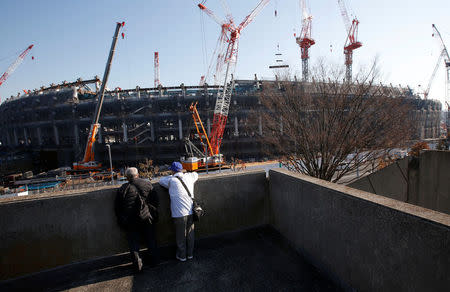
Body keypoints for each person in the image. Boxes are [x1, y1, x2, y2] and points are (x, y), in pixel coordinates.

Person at [115, 167, 159, 272]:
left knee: (134, 243)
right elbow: (156, 200)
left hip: (131, 221)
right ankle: (154, 261)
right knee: (150, 239)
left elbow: (118, 208)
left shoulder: (122, 189)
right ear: (137, 175)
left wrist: (122, 220)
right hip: (146, 217)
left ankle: (138, 264)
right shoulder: (147, 184)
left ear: (126, 177)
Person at [159, 161, 198, 262]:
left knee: (181, 235)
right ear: (182, 169)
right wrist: (187, 172)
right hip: (191, 211)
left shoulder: (171, 180)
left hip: (179, 213)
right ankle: (190, 254)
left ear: (172, 170)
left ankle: (182, 256)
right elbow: (195, 174)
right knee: (190, 234)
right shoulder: (189, 177)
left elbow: (161, 180)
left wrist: (170, 176)